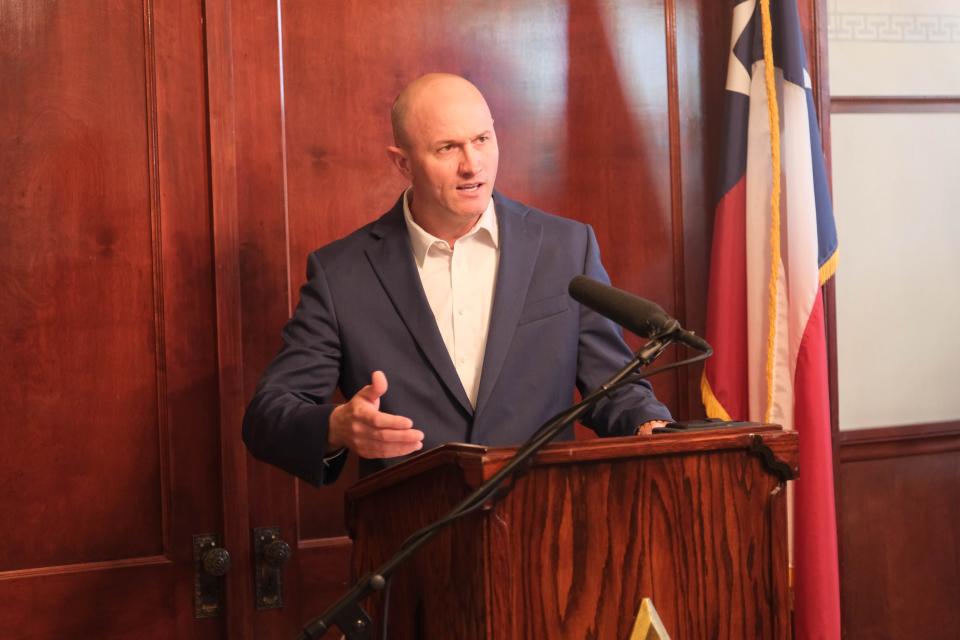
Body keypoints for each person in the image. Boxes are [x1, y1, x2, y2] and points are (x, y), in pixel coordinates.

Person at [242, 73, 672, 485]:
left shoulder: (565, 249)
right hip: (412, 541)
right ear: (403, 163)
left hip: (546, 533)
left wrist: (651, 425)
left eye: (482, 140)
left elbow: (615, 386)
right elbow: (268, 416)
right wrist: (336, 427)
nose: (473, 165)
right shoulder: (342, 273)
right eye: (447, 148)